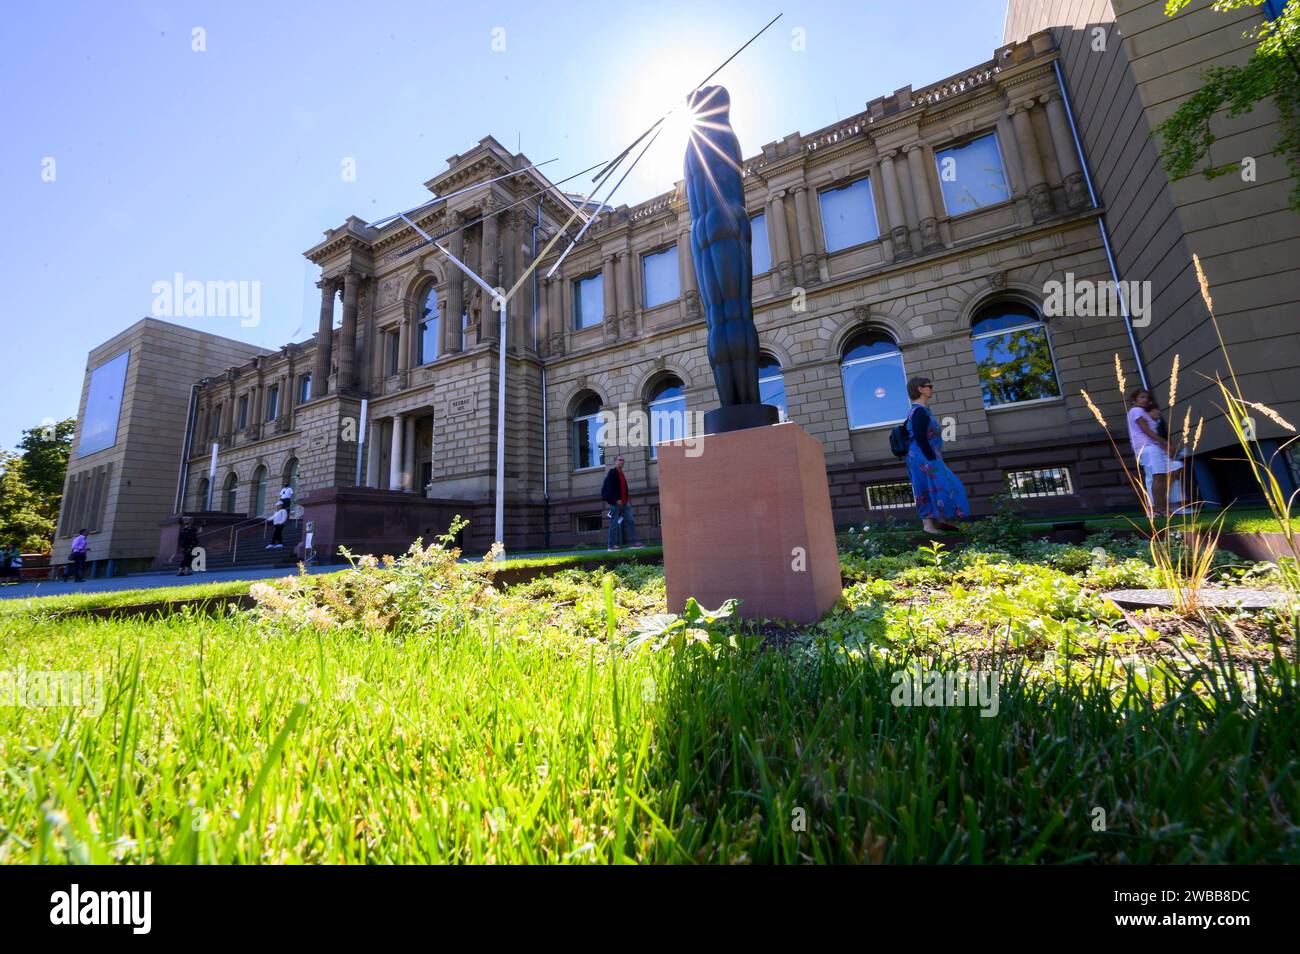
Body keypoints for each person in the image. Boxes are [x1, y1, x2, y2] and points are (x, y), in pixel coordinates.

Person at [904, 377, 970, 535]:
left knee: (936, 486)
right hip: (923, 457)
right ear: (920, 389)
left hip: (925, 455)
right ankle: (929, 525)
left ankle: (941, 520)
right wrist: (931, 458)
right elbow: (920, 436)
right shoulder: (919, 411)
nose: (931, 388)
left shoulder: (922, 410)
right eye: (929, 386)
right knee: (936, 486)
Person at [1126, 387, 1183, 516]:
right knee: (1158, 477)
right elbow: (1146, 431)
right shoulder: (1136, 410)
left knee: (1166, 473)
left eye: (1147, 397)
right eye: (1142, 397)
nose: (1145, 400)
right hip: (1146, 447)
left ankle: (1161, 506)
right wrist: (1164, 443)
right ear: (1134, 400)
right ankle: (1160, 509)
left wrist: (1164, 446)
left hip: (1151, 446)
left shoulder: (1142, 412)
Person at [601, 455, 645, 552]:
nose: (622, 462)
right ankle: (611, 546)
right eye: (620, 460)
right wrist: (615, 500)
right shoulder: (612, 473)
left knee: (630, 521)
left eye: (623, 460)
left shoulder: (622, 474)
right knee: (614, 524)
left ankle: (633, 543)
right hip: (616, 504)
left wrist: (625, 500)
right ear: (615, 462)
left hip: (625, 503)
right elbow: (608, 489)